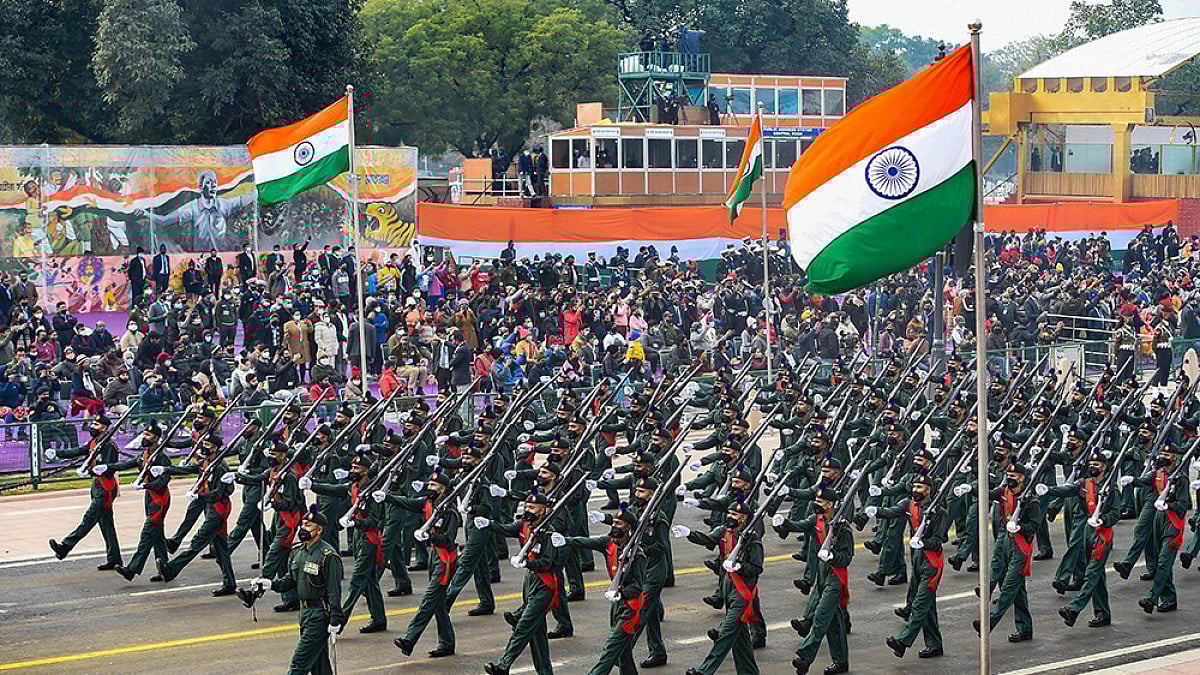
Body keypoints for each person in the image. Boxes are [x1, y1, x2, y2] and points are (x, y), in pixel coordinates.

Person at [249, 509, 345, 675]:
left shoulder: (328, 556)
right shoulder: (298, 552)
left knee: (298, 665)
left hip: (319, 615)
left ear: (319, 530)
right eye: (303, 524)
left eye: (308, 525)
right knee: (318, 664)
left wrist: (336, 620)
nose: (303, 527)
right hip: (304, 613)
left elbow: (334, 591)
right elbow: (290, 581)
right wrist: (270, 584)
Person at [47, 415, 122, 569]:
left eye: (96, 424)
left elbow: (110, 466)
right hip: (97, 485)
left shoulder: (109, 446)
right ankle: (114, 558)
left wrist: (99, 469)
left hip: (106, 487)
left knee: (89, 518)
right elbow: (80, 451)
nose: (92, 426)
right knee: (105, 523)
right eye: (93, 423)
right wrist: (58, 453)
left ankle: (65, 547)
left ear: (104, 428)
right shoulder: (95, 442)